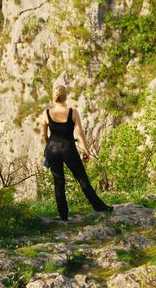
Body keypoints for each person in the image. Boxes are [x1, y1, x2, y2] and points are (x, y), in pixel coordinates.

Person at [41, 85, 113, 220]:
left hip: (52, 149)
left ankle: (63, 217)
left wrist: (49, 146)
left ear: (54, 96)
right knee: (82, 179)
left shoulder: (46, 113)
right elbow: (79, 133)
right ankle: (99, 207)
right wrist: (86, 150)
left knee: (59, 182)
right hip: (68, 149)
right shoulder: (72, 112)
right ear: (65, 96)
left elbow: (43, 135)